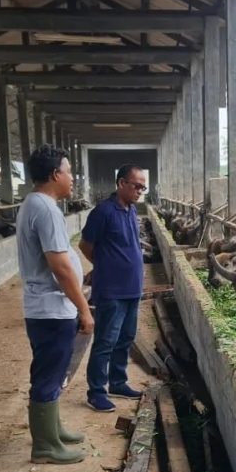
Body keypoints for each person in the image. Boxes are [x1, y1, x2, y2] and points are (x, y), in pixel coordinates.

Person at [16, 146, 94, 464]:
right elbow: (60, 267)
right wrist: (84, 309)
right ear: (54, 175)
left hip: (47, 307)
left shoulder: (36, 205)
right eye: (68, 170)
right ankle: (46, 446)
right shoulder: (45, 210)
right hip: (51, 308)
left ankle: (54, 429)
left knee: (53, 369)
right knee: (49, 373)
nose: (72, 177)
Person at [80, 164, 147, 411]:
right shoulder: (103, 212)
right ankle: (96, 391)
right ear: (121, 184)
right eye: (136, 185)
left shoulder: (130, 210)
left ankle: (118, 382)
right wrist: (105, 265)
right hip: (111, 290)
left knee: (125, 338)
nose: (140, 190)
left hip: (132, 289)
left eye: (143, 186)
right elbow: (85, 245)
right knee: (106, 340)